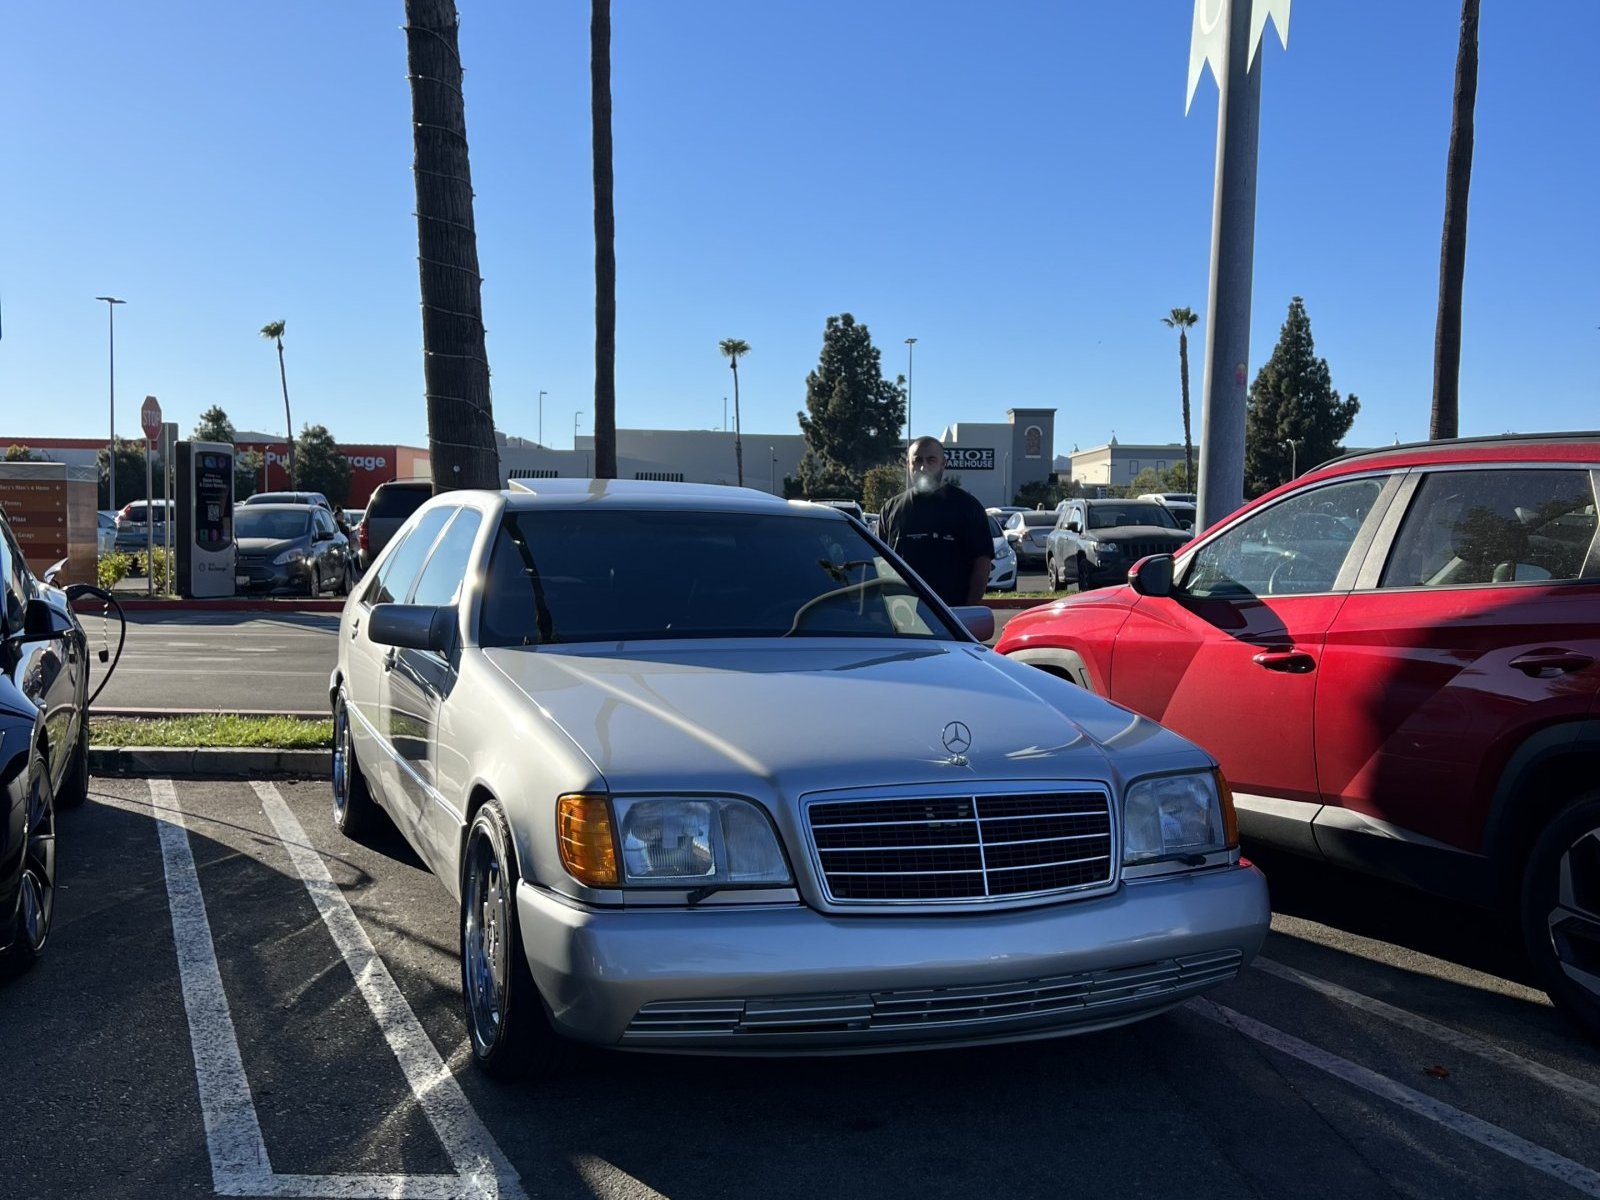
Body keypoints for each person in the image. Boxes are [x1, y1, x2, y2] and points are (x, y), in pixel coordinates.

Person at [877, 436, 993, 607]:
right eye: (917, 461)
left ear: (943, 463)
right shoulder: (891, 509)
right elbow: (879, 561)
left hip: (951, 616)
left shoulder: (968, 507)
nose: (923, 467)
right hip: (902, 615)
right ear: (907, 464)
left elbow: (982, 565)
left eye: (931, 460)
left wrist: (967, 612)